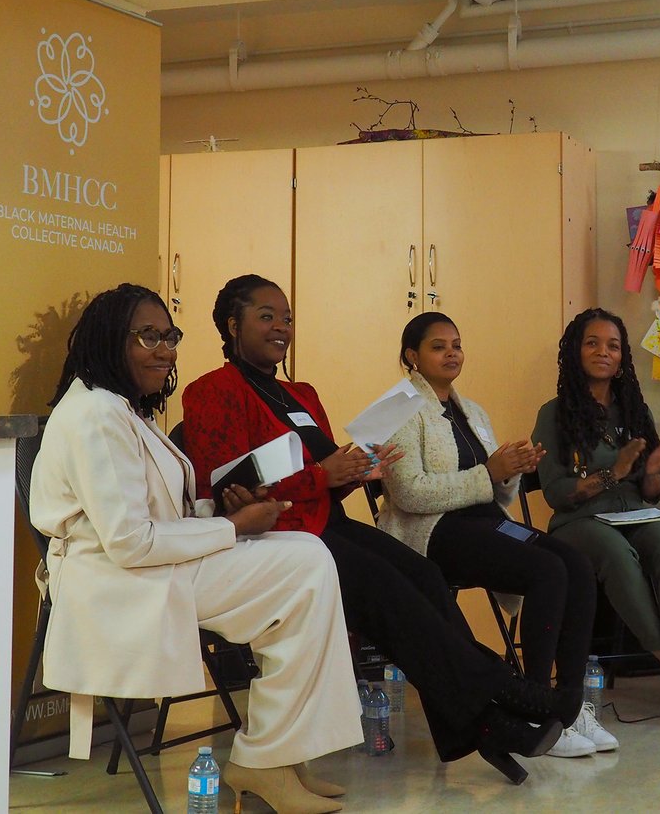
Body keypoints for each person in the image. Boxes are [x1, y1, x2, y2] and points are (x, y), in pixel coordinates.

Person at [182, 274, 563, 785]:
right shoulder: (211, 390)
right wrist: (323, 475)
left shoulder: (301, 392)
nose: (281, 327)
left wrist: (355, 469)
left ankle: (480, 725)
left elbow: (321, 483)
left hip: (325, 521)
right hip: (278, 539)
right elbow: (225, 488)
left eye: (287, 318)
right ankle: (503, 693)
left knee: (424, 577)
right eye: (266, 316)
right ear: (233, 325)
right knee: (388, 593)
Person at [30, 283, 358, 814]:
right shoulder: (95, 416)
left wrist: (223, 513)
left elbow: (157, 519)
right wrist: (234, 528)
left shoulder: (121, 408)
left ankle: (281, 752)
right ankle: (267, 758)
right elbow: (130, 542)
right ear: (113, 340)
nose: (164, 350)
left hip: (153, 565)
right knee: (306, 566)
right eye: (148, 336)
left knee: (306, 554)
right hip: (121, 583)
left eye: (169, 336)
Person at [380, 312, 605, 757]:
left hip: (484, 521)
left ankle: (570, 705)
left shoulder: (473, 410)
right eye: (438, 346)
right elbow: (408, 493)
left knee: (575, 566)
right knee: (546, 570)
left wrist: (511, 470)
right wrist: (489, 472)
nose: (451, 354)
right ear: (412, 356)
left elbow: (496, 490)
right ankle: (539, 706)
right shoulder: (398, 407)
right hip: (432, 531)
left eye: (457, 345)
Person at [532, 307, 660, 727]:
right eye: (592, 343)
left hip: (633, 515)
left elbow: (650, 491)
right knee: (616, 554)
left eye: (613, 346)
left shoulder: (633, 411)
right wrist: (613, 473)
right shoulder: (553, 414)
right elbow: (555, 495)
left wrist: (653, 474)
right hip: (579, 523)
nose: (603, 352)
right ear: (574, 351)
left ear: (622, 357)